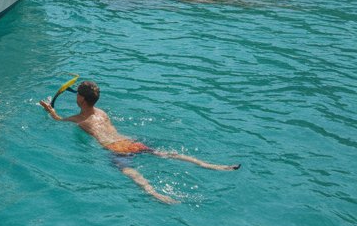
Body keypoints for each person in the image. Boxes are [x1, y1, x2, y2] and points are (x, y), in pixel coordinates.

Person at [39, 80, 239, 204]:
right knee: (169, 154)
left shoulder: (78, 119)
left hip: (116, 149)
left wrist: (51, 111)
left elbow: (58, 120)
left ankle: (156, 194)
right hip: (130, 142)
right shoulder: (102, 113)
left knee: (132, 173)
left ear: (80, 99)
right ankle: (213, 166)